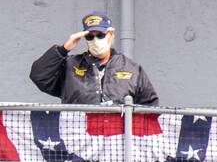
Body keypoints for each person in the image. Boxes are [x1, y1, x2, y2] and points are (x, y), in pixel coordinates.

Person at [29, 13, 158, 106]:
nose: (95, 40)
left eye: (100, 35)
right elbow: (39, 76)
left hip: (118, 140)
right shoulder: (71, 66)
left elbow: (150, 105)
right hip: (79, 138)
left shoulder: (131, 68)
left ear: (111, 35)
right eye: (90, 37)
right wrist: (64, 49)